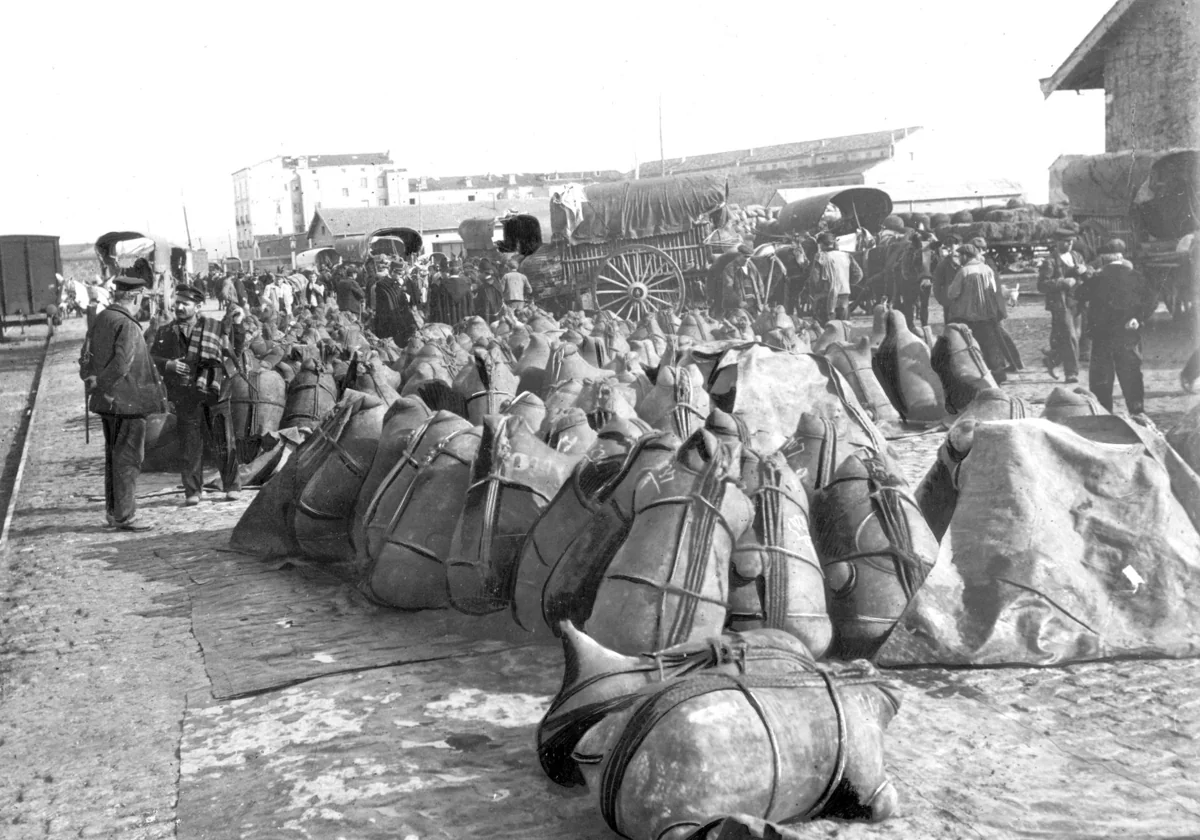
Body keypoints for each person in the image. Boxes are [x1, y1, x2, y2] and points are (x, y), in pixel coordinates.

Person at [78, 274, 167, 531]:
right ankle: (125, 515)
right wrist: (103, 382)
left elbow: (85, 357)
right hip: (128, 403)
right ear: (136, 296)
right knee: (128, 459)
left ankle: (112, 512)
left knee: (113, 458)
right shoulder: (127, 324)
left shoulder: (102, 318)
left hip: (107, 404)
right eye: (143, 299)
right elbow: (121, 364)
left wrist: (93, 381)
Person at [148, 285, 246, 505]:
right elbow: (152, 358)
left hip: (215, 392)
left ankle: (232, 486)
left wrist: (238, 325)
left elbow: (236, 350)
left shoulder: (216, 327)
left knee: (224, 440)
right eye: (178, 303)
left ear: (198, 306)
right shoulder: (165, 332)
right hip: (185, 394)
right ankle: (193, 491)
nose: (180, 307)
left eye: (186, 304)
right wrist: (169, 365)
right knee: (190, 444)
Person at [1075, 239, 1157, 416]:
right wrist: (1138, 318)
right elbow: (1152, 300)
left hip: (1102, 336)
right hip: (1128, 334)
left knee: (1101, 377)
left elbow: (1079, 294)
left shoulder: (1097, 278)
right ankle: (1137, 411)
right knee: (1131, 373)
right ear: (1122, 257)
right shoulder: (1136, 276)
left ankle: (1104, 413)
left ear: (1104, 259)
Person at [947, 243, 1009, 383]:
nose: (958, 259)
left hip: (969, 314)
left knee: (970, 343)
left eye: (960, 256)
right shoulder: (987, 269)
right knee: (991, 343)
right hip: (988, 313)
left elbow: (953, 293)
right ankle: (998, 372)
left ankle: (976, 372)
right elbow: (993, 289)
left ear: (965, 256)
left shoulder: (964, 271)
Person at [1038, 229, 1091, 383]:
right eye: (1066, 242)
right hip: (1060, 304)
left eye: (1071, 241)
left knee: (1076, 336)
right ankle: (1071, 373)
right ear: (1057, 242)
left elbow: (1087, 273)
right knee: (1070, 337)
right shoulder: (1050, 261)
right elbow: (1041, 285)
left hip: (1077, 301)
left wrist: (1085, 270)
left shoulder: (1076, 256)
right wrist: (1062, 282)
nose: (1069, 244)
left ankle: (1053, 359)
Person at [807, 232, 863, 324]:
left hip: (825, 297)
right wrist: (847, 283)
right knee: (843, 327)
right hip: (843, 296)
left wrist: (814, 293)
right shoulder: (846, 255)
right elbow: (859, 274)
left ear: (821, 244)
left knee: (826, 329)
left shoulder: (820, 256)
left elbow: (814, 278)